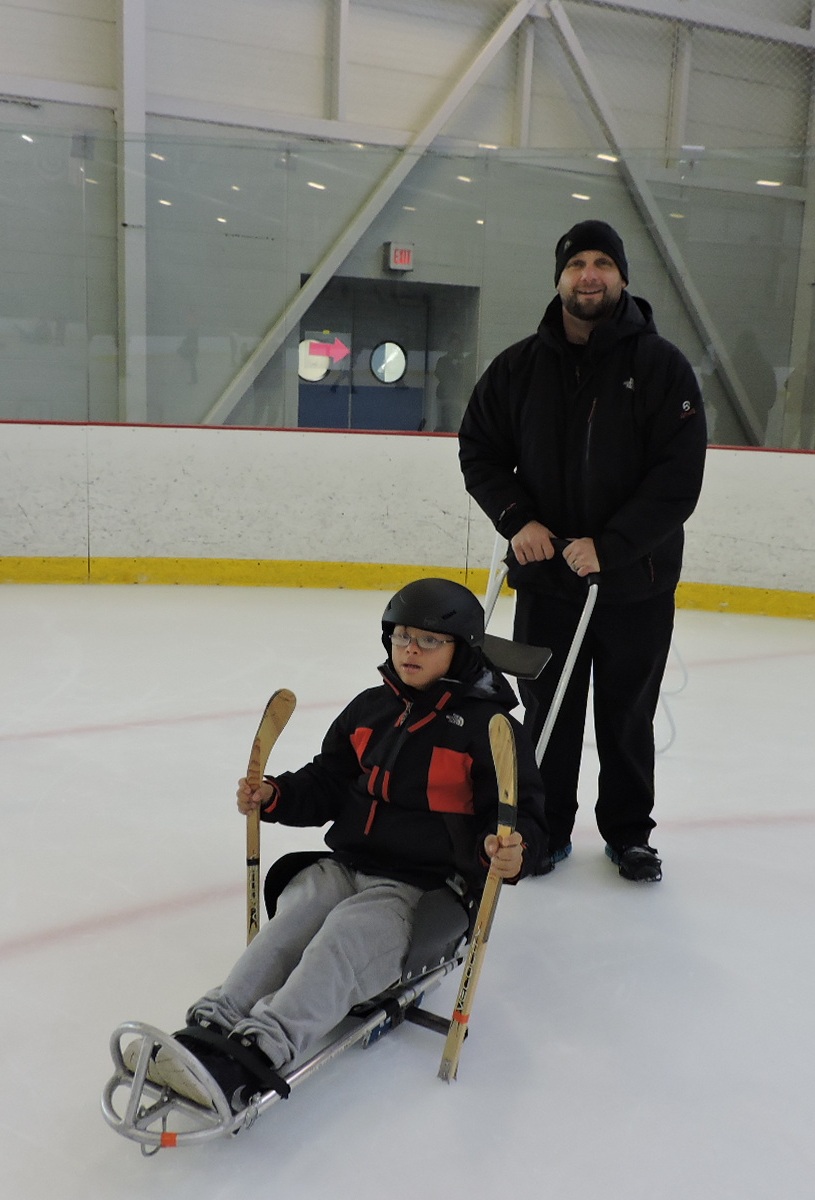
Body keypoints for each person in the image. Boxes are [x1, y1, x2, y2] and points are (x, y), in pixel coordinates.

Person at [124, 578, 548, 1110]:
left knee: (344, 937)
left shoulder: (490, 730)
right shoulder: (371, 708)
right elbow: (328, 780)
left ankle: (256, 1054)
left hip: (424, 888)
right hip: (346, 865)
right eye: (402, 636)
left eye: (429, 640)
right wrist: (276, 794)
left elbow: (521, 815)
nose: (410, 649)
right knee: (297, 915)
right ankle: (212, 1025)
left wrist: (512, 851)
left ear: (461, 649)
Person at [458, 219, 707, 883]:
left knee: (627, 712)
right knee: (548, 711)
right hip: (548, 580)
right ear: (559, 278)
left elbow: (677, 478)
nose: (588, 275)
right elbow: (478, 449)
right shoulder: (518, 367)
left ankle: (628, 833)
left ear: (621, 277)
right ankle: (546, 829)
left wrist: (612, 546)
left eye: (602, 263)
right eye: (576, 265)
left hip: (636, 582)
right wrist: (517, 520)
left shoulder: (660, 367)